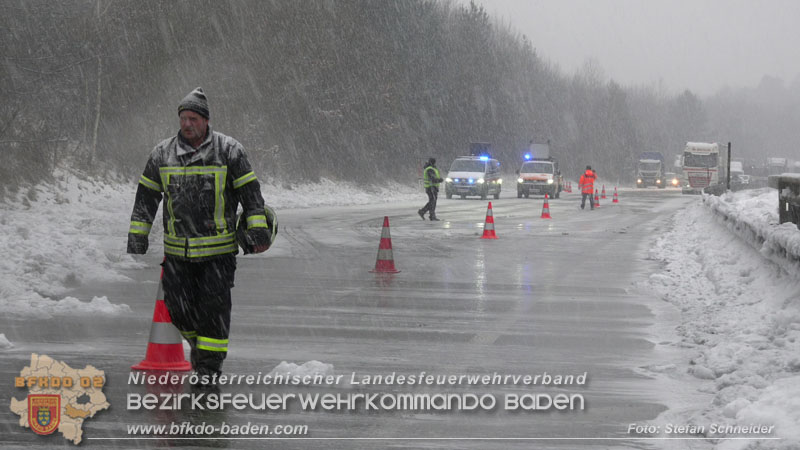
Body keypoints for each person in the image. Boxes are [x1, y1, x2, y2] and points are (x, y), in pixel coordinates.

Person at [127, 87, 271, 385]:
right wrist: (138, 234)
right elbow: (146, 197)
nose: (187, 124)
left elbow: (251, 195)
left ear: (205, 120)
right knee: (178, 311)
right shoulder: (162, 153)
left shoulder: (230, 151)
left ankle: (208, 370)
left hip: (218, 256)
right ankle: (201, 349)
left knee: (213, 313)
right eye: (183, 118)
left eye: (193, 118)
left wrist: (257, 228)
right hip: (178, 255)